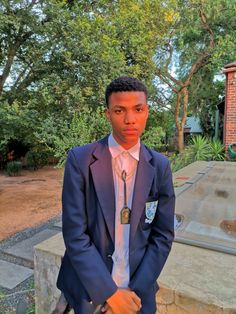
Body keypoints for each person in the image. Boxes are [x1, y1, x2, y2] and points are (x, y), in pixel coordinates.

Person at [55, 76, 175, 314]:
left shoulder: (160, 166)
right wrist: (109, 293)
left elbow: (162, 235)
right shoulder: (81, 160)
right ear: (107, 114)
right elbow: (75, 234)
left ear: (147, 111)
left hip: (138, 292)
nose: (130, 119)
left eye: (137, 109)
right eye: (119, 110)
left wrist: (133, 293)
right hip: (90, 291)